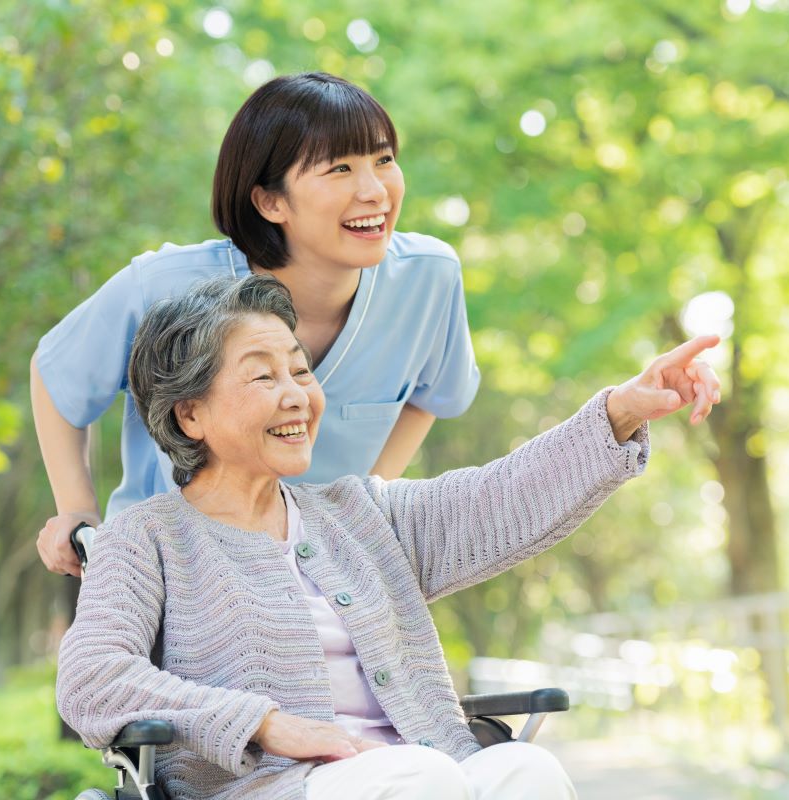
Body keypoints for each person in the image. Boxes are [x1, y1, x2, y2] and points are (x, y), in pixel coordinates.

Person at [55, 276, 722, 799]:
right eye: (264, 375)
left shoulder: (357, 513)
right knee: (420, 781)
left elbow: (499, 499)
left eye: (300, 370)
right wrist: (264, 723)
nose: (295, 395)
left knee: (524, 770)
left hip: (427, 769)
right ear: (189, 412)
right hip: (277, 786)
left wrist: (620, 411)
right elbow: (92, 678)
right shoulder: (146, 539)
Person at [31, 73, 480, 577]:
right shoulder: (163, 286)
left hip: (323, 583)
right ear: (270, 201)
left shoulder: (430, 278)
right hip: (167, 580)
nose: (374, 190)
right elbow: (57, 374)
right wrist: (75, 507)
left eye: (384, 160)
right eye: (339, 168)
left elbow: (432, 395)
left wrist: (359, 507)